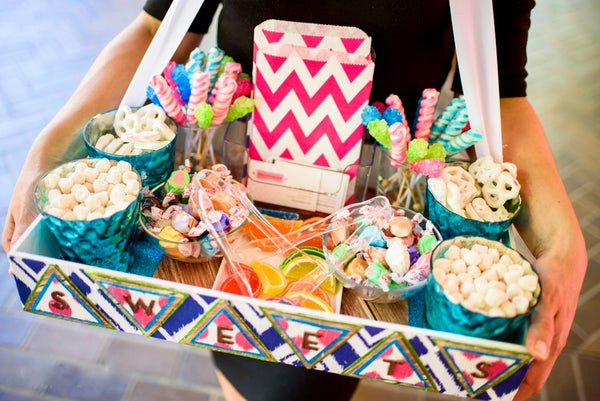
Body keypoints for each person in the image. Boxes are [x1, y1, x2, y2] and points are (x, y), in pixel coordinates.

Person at [2, 0, 587, 400]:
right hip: (227, 213)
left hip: (373, 227)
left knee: (308, 385)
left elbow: (505, 92)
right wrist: (48, 146)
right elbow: (159, 28)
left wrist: (562, 234)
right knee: (256, 375)